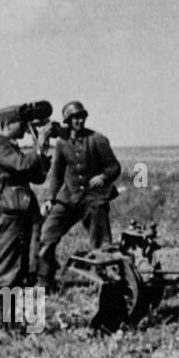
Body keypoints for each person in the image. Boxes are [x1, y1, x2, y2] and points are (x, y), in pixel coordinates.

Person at [36, 101, 121, 291]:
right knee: (47, 235)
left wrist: (104, 176)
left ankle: (106, 285)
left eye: (82, 117)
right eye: (75, 118)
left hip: (94, 199)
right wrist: (50, 198)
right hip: (69, 198)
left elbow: (114, 167)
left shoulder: (98, 139)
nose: (79, 121)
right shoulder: (62, 143)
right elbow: (57, 174)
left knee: (102, 245)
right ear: (68, 120)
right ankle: (45, 280)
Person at [0, 105, 52, 292]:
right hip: (9, 214)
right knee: (6, 270)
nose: (24, 127)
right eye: (21, 123)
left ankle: (10, 319)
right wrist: (39, 144)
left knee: (18, 269)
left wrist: (42, 148)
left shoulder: (11, 148)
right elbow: (22, 165)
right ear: (7, 124)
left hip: (20, 213)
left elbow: (37, 176)